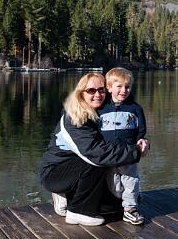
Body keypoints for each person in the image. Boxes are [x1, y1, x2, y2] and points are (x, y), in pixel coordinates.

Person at [38, 72, 149, 226]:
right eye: (91, 90)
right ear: (81, 93)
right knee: (98, 160)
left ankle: (70, 197)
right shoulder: (74, 117)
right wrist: (135, 152)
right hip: (56, 172)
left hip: (81, 169)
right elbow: (95, 153)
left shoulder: (100, 111)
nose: (97, 94)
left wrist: (141, 141)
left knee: (114, 207)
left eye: (101, 90)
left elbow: (125, 109)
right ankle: (77, 211)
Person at [98, 67, 149, 225]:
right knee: (114, 183)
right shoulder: (101, 109)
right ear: (109, 87)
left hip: (128, 154)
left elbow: (141, 130)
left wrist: (140, 141)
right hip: (108, 155)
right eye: (119, 86)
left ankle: (130, 209)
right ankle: (128, 198)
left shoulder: (135, 108)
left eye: (127, 87)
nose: (123, 90)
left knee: (131, 180)